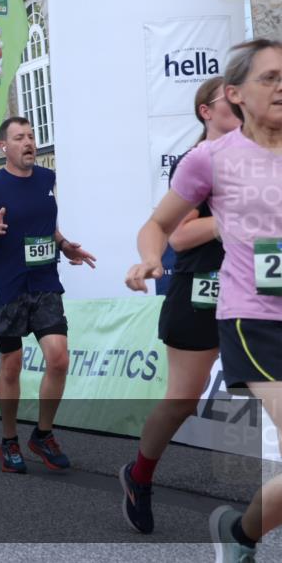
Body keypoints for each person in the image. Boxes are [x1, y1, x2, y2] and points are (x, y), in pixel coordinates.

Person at [126, 39, 282, 562]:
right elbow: (161, 226)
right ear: (232, 96)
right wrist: (151, 258)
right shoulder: (208, 160)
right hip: (248, 312)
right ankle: (141, 473)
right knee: (181, 400)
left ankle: (241, 535)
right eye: (270, 77)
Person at [119, 76, 241, 535]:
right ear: (206, 111)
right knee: (182, 400)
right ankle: (139, 476)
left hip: (254, 289)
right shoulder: (197, 162)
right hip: (200, 290)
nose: (240, 103)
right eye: (228, 99)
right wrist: (224, 222)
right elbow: (178, 234)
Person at [0, 116, 96, 473]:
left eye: (32, 136)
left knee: (59, 358)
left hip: (45, 283)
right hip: (8, 286)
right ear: (4, 147)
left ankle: (43, 434)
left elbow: (46, 224)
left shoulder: (47, 179)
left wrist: (64, 245)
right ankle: (9, 440)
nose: (29, 142)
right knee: (12, 363)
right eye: (20, 138)